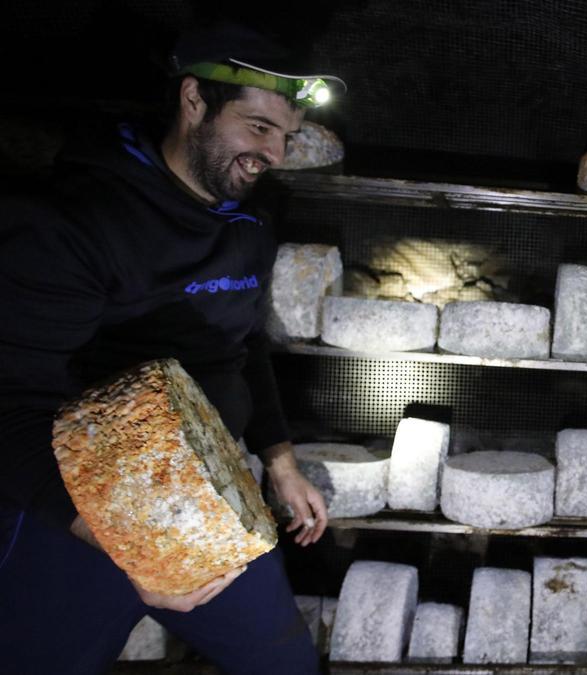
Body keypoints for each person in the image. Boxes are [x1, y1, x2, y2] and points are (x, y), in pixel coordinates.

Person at [0, 22, 346, 674]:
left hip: (214, 502)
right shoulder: (70, 221)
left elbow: (247, 344)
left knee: (286, 664)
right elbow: (8, 405)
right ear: (193, 101)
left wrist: (280, 461)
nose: (273, 152)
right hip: (75, 514)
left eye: (284, 135)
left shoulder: (249, 223)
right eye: (257, 127)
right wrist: (133, 544)